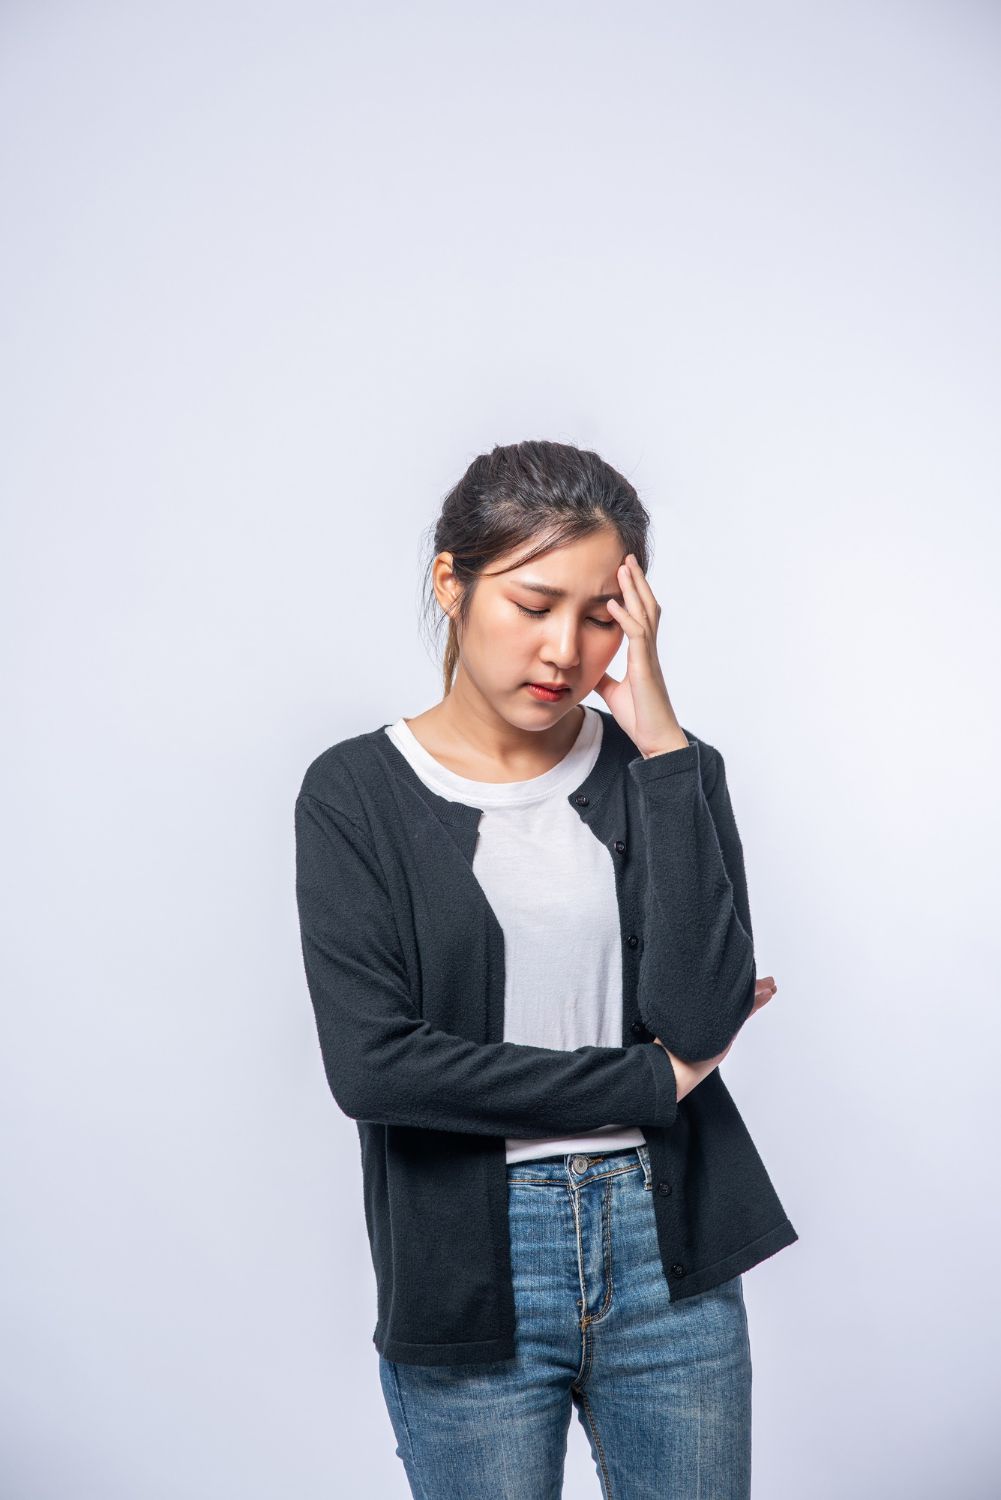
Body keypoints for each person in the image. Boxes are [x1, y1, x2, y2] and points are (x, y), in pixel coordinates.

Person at [294, 439, 798, 1499]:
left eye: (600, 614)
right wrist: (640, 1083)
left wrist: (660, 745)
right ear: (452, 582)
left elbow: (700, 1012)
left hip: (667, 1248)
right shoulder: (353, 795)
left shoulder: (661, 773)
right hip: (470, 1263)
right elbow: (377, 1070)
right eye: (531, 603)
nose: (563, 649)